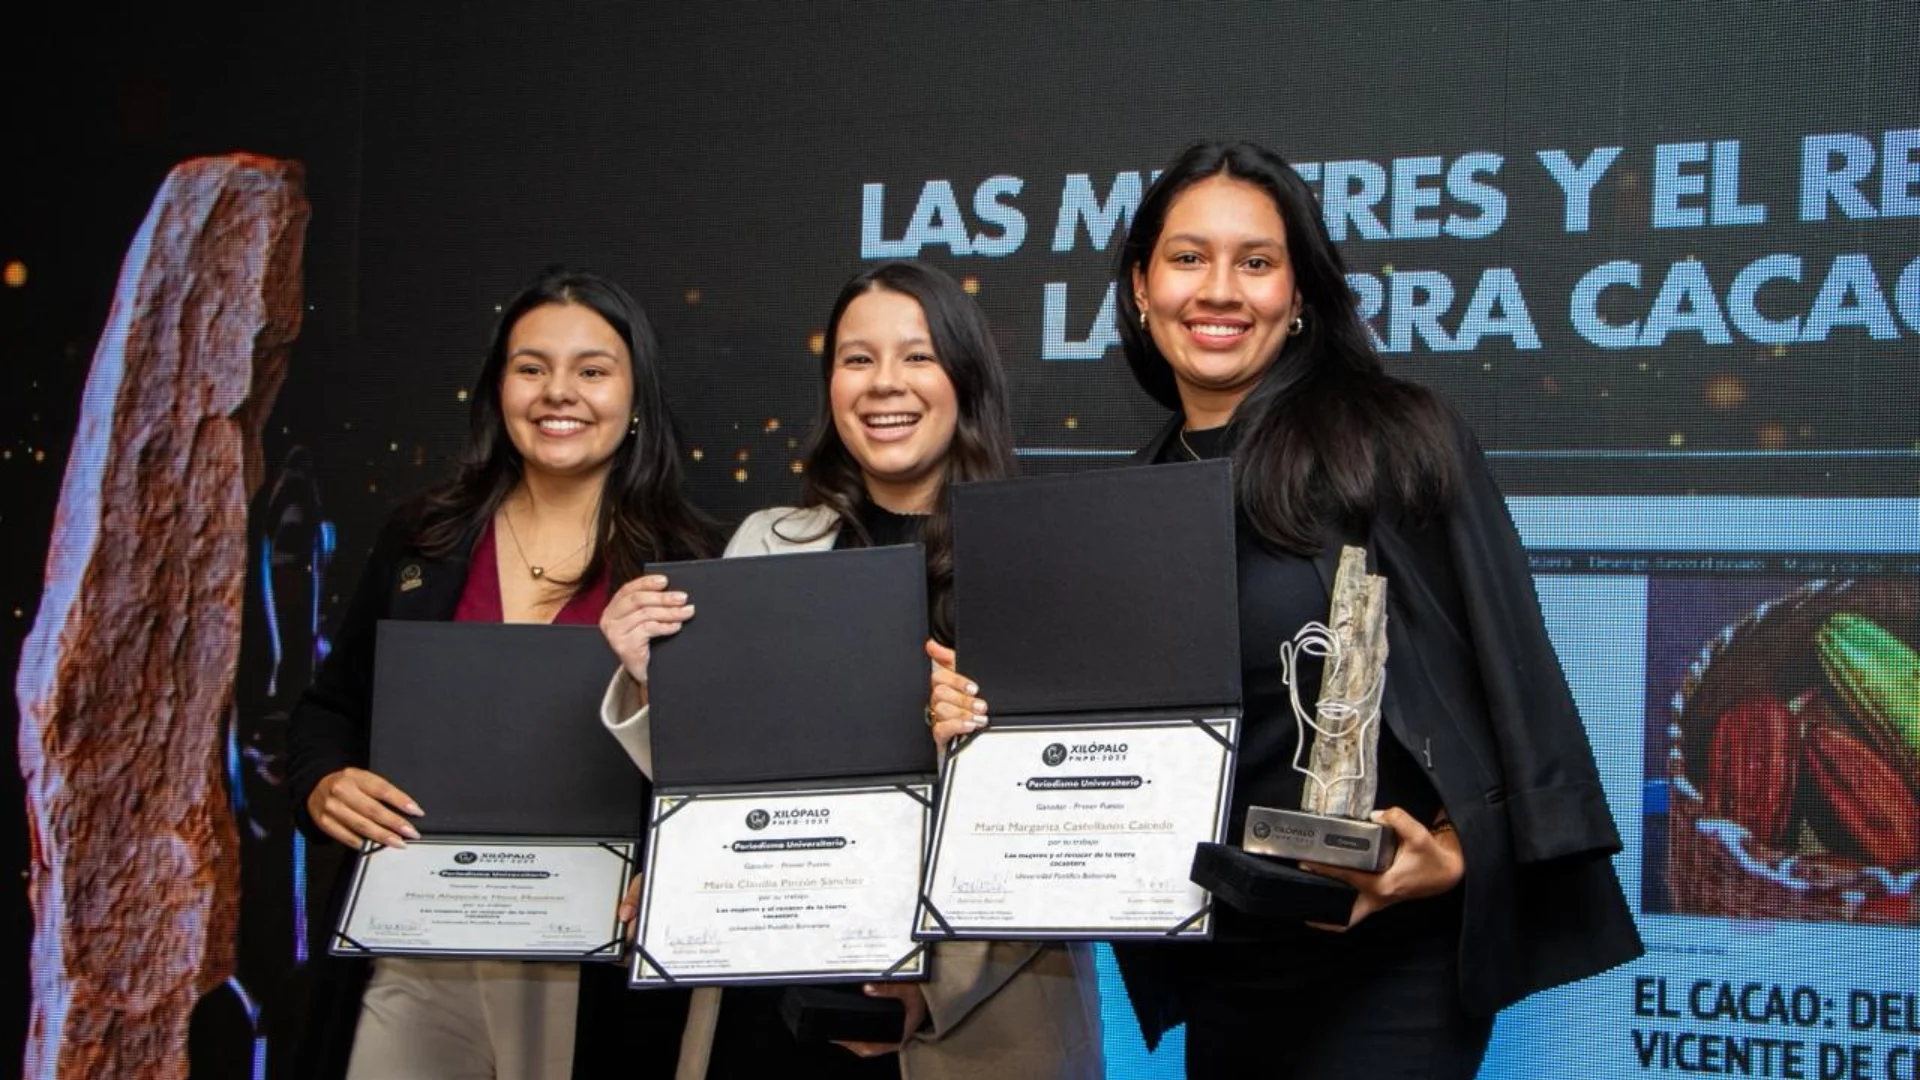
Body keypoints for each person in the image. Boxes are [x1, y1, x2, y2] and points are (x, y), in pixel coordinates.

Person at [927, 141, 1645, 1078]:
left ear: (1299, 292)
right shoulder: (1122, 509)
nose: (1219, 290)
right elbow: (1098, 742)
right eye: (1188, 258)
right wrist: (979, 722)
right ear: (1141, 288)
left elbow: (1517, 673)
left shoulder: (1395, 440)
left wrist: (1460, 852)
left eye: (1256, 262)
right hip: (1225, 956)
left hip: (1390, 964)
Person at [599, 260, 1104, 1079]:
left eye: (917, 356)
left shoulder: (1040, 558)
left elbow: (1071, 827)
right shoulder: (769, 543)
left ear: (966, 379)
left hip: (975, 1019)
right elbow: (716, 784)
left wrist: (929, 985)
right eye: (856, 359)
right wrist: (656, 678)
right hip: (773, 993)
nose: (883, 385)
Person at [286, 266, 718, 1080]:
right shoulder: (425, 539)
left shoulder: (692, 561)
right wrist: (324, 781)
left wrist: (674, 872)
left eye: (592, 370)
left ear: (635, 399)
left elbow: (728, 762)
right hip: (417, 938)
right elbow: (327, 707)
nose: (560, 393)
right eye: (531, 368)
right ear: (498, 389)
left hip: (590, 960)